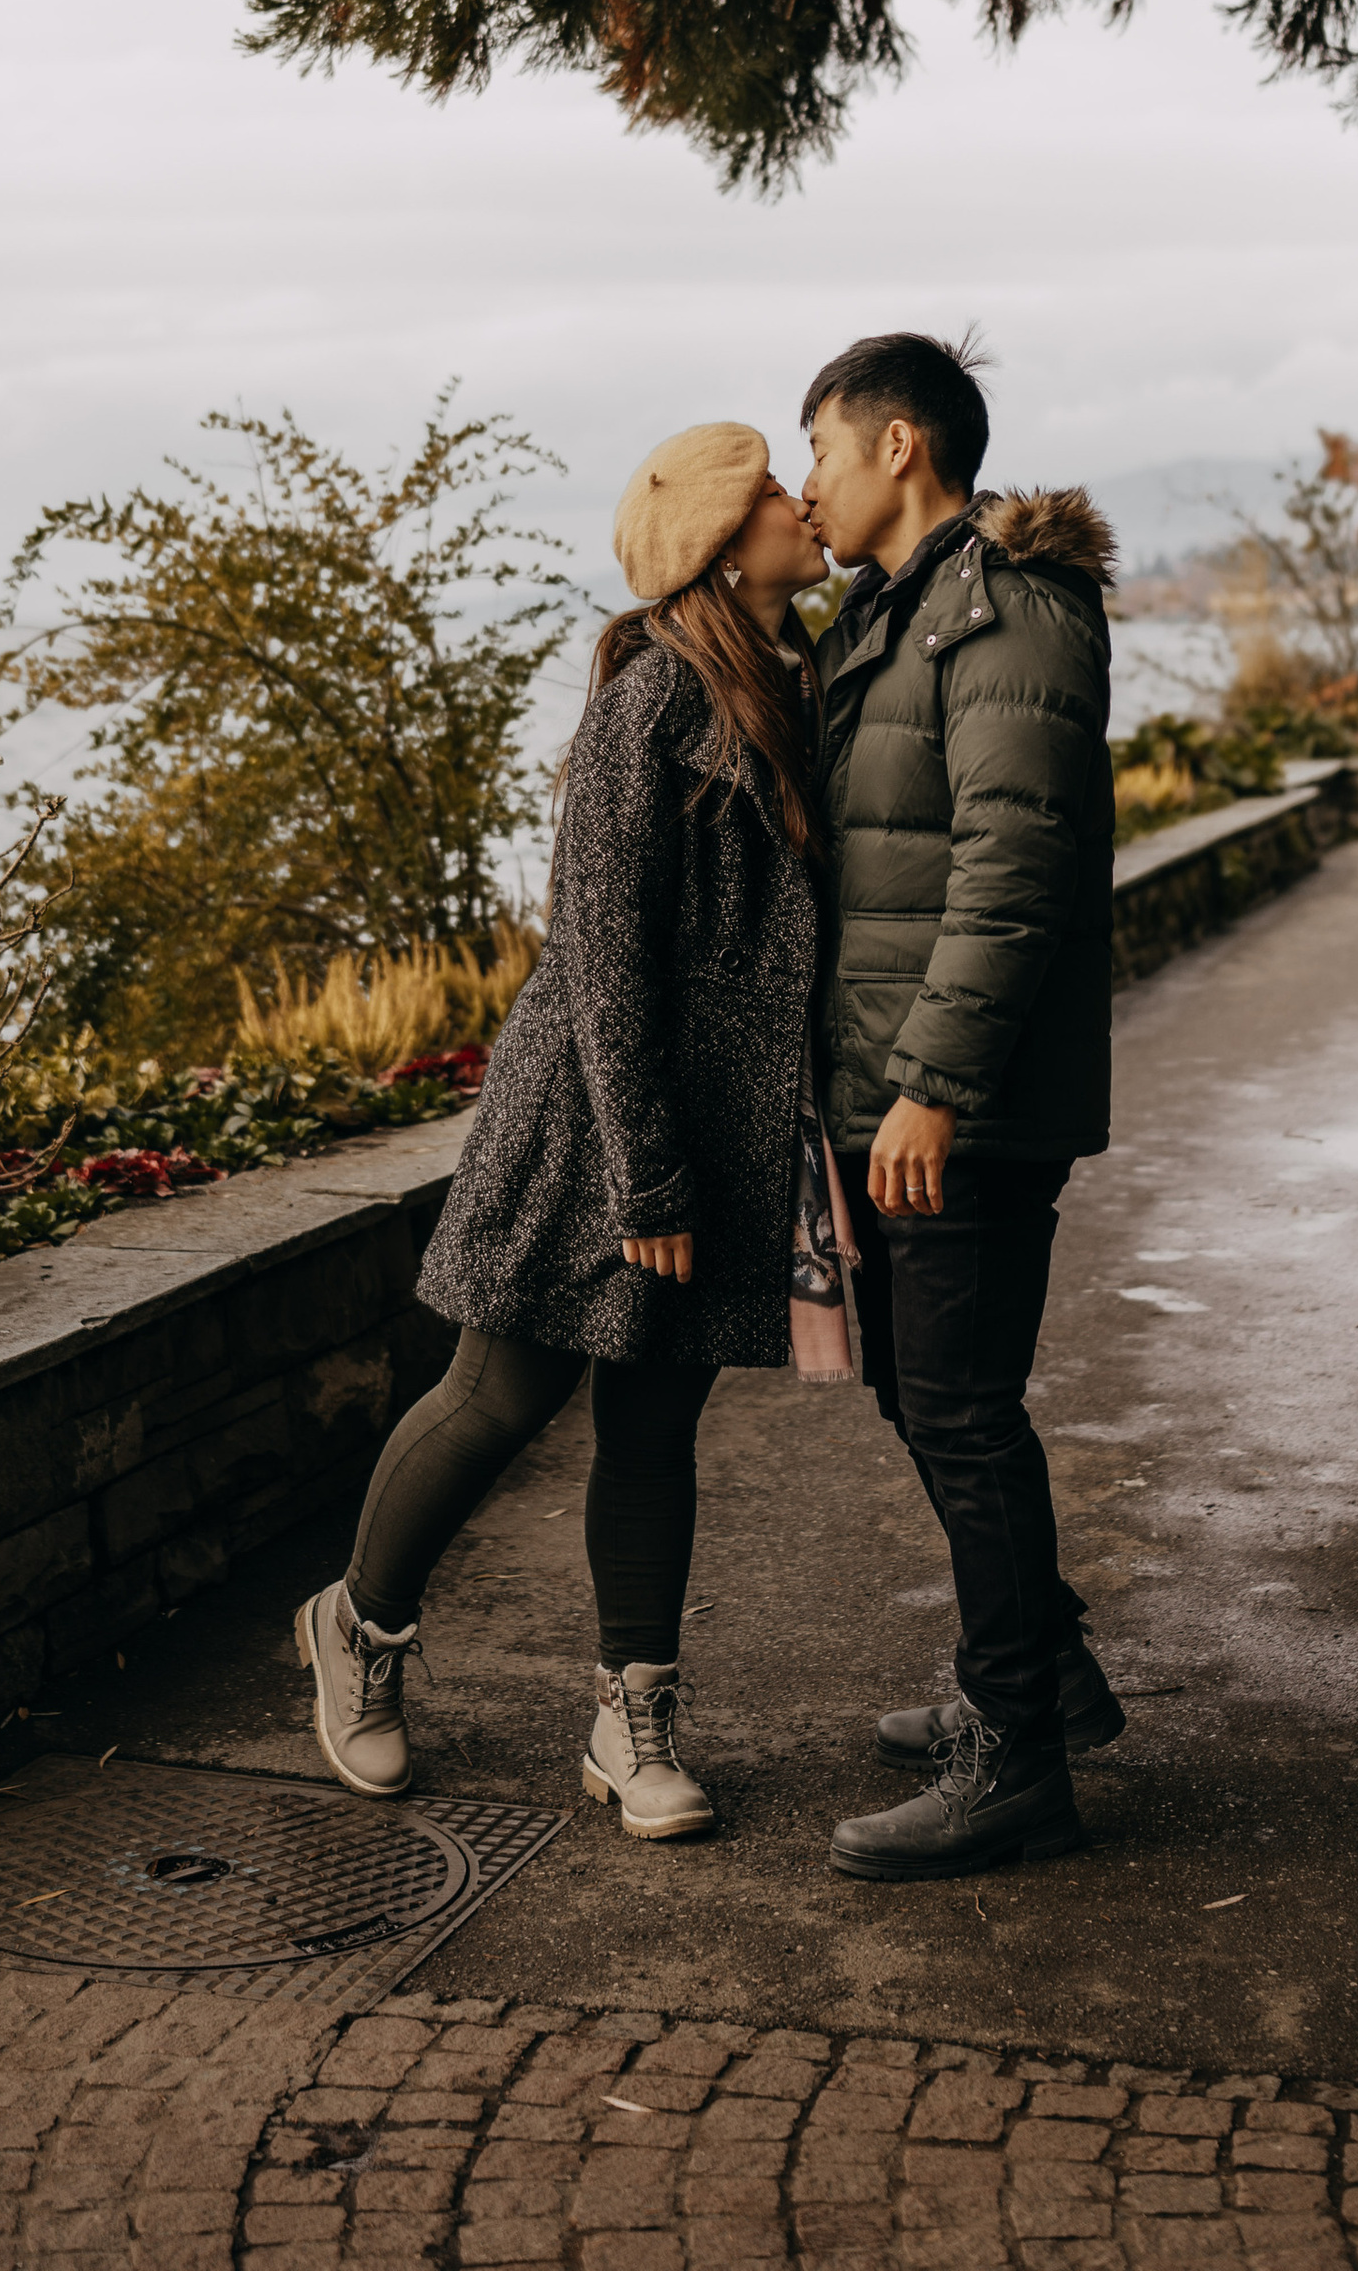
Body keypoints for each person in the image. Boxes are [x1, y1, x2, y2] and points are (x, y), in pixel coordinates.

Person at [294, 421, 836, 1840]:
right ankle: (357, 1628)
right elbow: (601, 953)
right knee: (500, 1399)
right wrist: (646, 1172)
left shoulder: (799, 685)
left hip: (719, 1127)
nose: (804, 501)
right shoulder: (650, 702)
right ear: (726, 540)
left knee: (657, 1421)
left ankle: (629, 1717)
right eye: (778, 489)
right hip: (597, 1118)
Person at [798, 330, 1120, 1883]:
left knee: (963, 1415)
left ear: (899, 447)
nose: (810, 485)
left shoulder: (1009, 612)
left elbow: (1013, 864)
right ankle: (1038, 1675)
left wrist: (931, 1086)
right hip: (891, 1086)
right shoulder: (899, 612)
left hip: (958, 1101)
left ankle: (1019, 1761)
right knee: (917, 1393)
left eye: (822, 453)